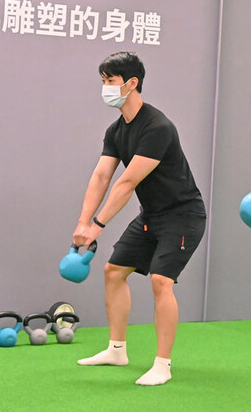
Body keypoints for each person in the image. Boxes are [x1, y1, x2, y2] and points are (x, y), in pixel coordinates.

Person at [72, 51, 206, 386]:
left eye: (111, 81)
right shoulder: (116, 131)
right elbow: (102, 176)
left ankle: (162, 364)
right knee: (113, 271)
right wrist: (82, 223)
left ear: (132, 83)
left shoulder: (157, 127)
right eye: (103, 81)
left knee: (161, 280)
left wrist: (97, 227)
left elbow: (127, 182)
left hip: (183, 215)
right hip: (152, 216)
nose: (105, 87)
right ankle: (117, 350)